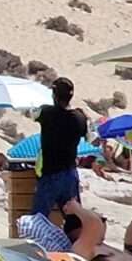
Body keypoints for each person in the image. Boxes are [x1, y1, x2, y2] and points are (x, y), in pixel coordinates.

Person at [35, 77, 90, 226]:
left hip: (51, 173)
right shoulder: (79, 118)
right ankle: (78, 247)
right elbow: (88, 135)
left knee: (37, 220)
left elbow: (35, 114)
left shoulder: (46, 113)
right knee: (75, 220)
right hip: (70, 173)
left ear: (54, 95)